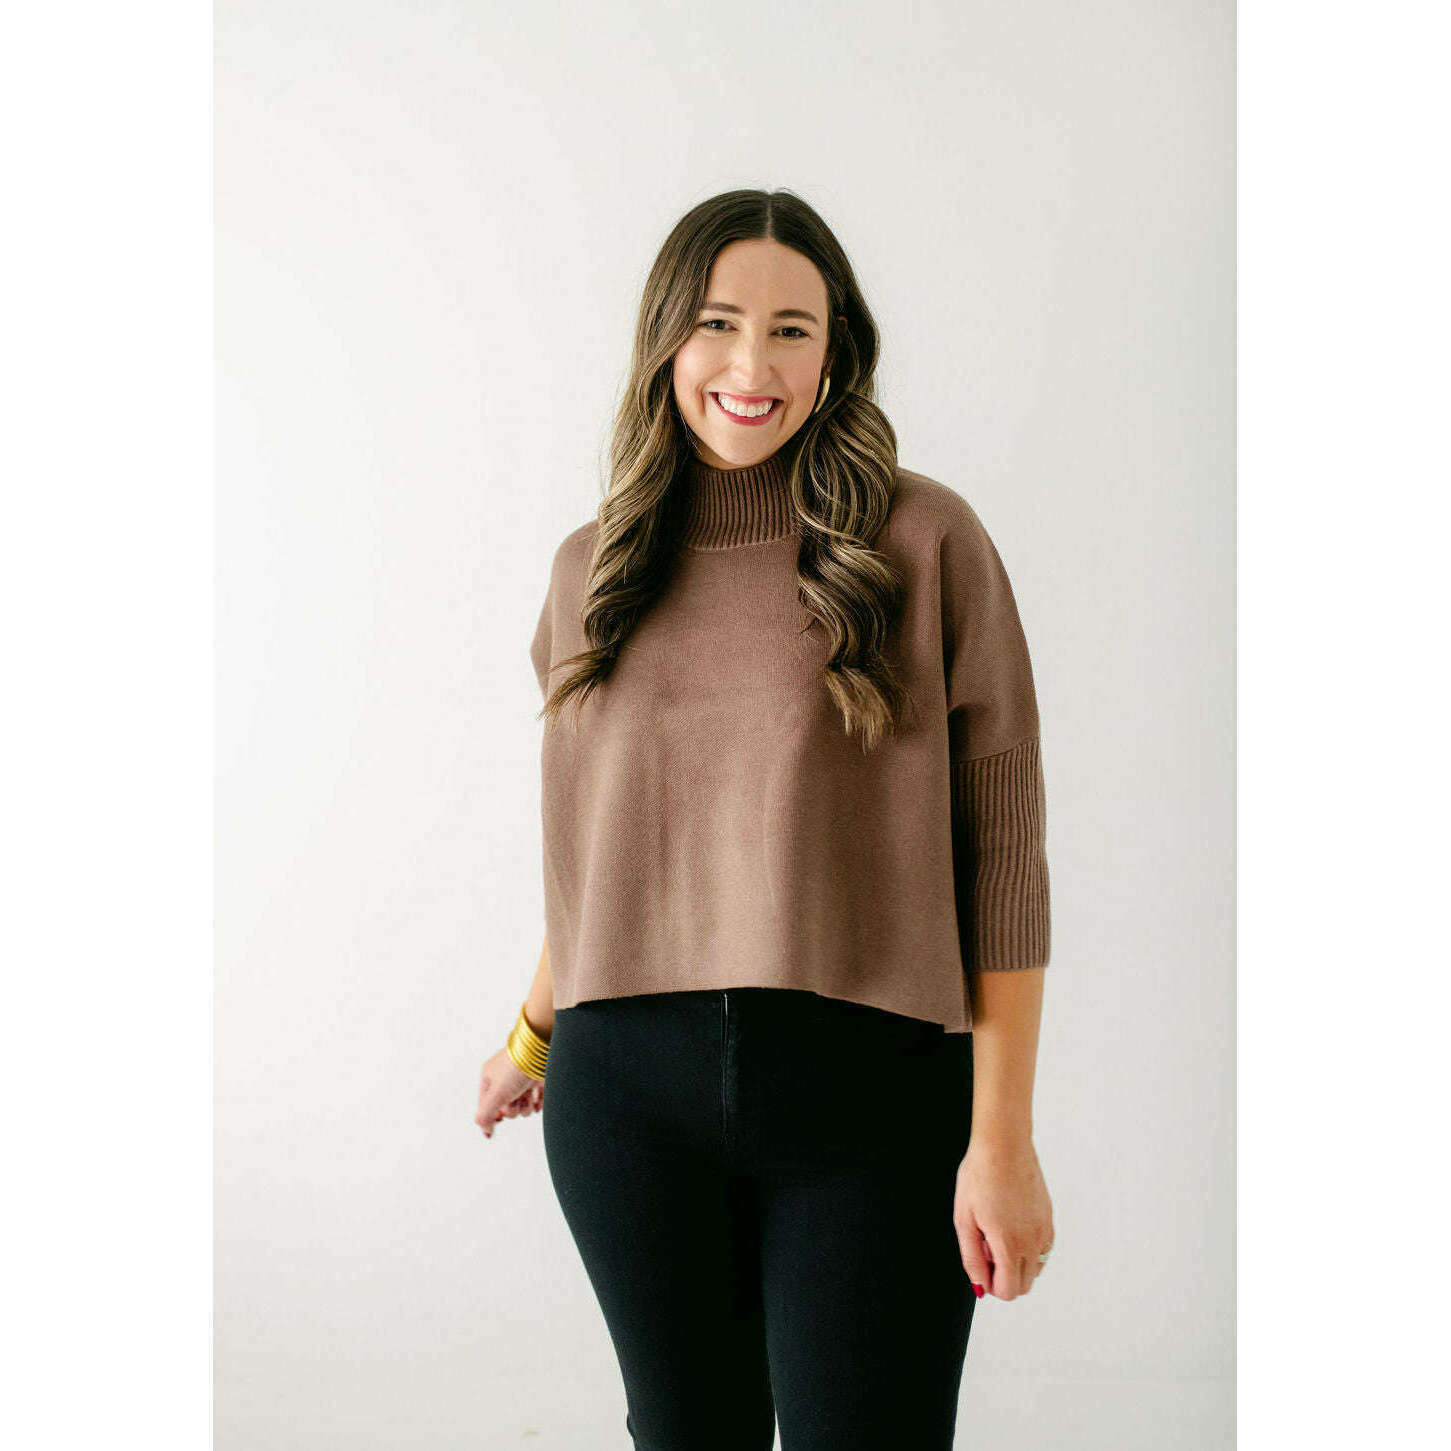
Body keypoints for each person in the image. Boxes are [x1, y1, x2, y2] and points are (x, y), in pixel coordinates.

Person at [474, 188, 1055, 1451]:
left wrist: (1001, 1138)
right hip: (625, 1096)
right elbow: (600, 852)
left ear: (835, 350)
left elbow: (1002, 854)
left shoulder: (923, 541)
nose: (751, 366)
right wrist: (530, 1035)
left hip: (873, 1098)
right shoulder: (592, 569)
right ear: (664, 340)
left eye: (791, 329)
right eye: (717, 323)